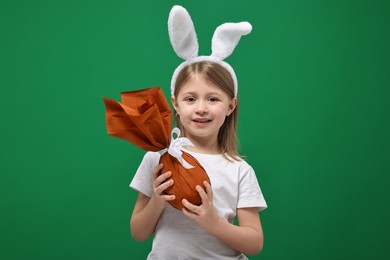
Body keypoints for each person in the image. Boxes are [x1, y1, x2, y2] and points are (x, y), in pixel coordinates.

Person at [129, 5, 267, 259]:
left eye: (213, 99)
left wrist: (212, 222)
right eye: (191, 99)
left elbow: (255, 242)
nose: (201, 108)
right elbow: (138, 232)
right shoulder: (158, 158)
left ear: (230, 106)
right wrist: (158, 200)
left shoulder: (238, 170)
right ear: (176, 105)